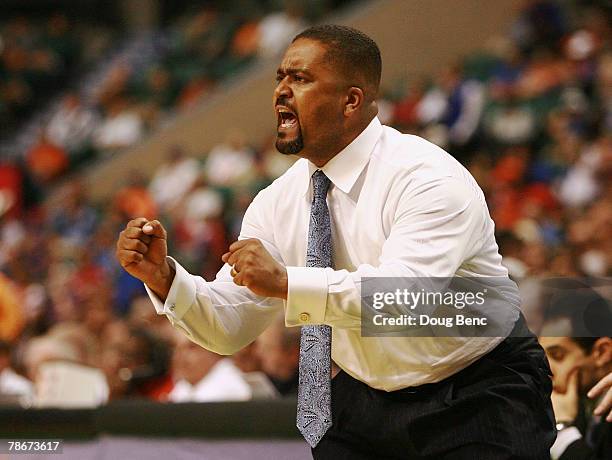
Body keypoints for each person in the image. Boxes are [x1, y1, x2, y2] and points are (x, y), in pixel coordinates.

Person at [116, 25, 555, 459]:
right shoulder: (276, 202)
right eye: (280, 78)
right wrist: (166, 278)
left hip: (477, 384)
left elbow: (404, 299)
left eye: (300, 79)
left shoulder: (426, 176)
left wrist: (290, 283)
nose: (281, 91)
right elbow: (230, 327)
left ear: (351, 100)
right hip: (365, 393)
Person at [538, 287, 612, 460]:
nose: (546, 369)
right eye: (543, 356)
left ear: (602, 352)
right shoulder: (579, 402)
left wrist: (562, 430)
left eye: (558, 356)